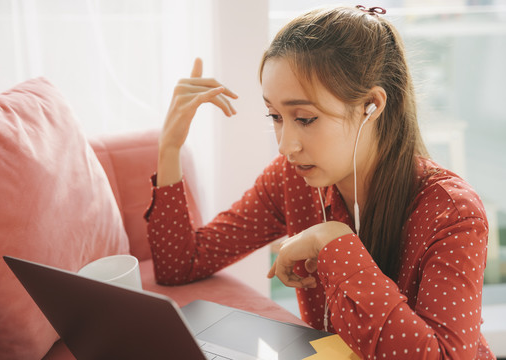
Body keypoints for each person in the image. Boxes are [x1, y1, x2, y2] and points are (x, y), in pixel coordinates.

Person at [145, 5, 495, 359]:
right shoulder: (293, 180)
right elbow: (181, 264)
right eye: (276, 116)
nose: (286, 146)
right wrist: (169, 148)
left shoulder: (452, 214)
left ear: (371, 106)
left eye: (306, 119)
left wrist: (333, 241)